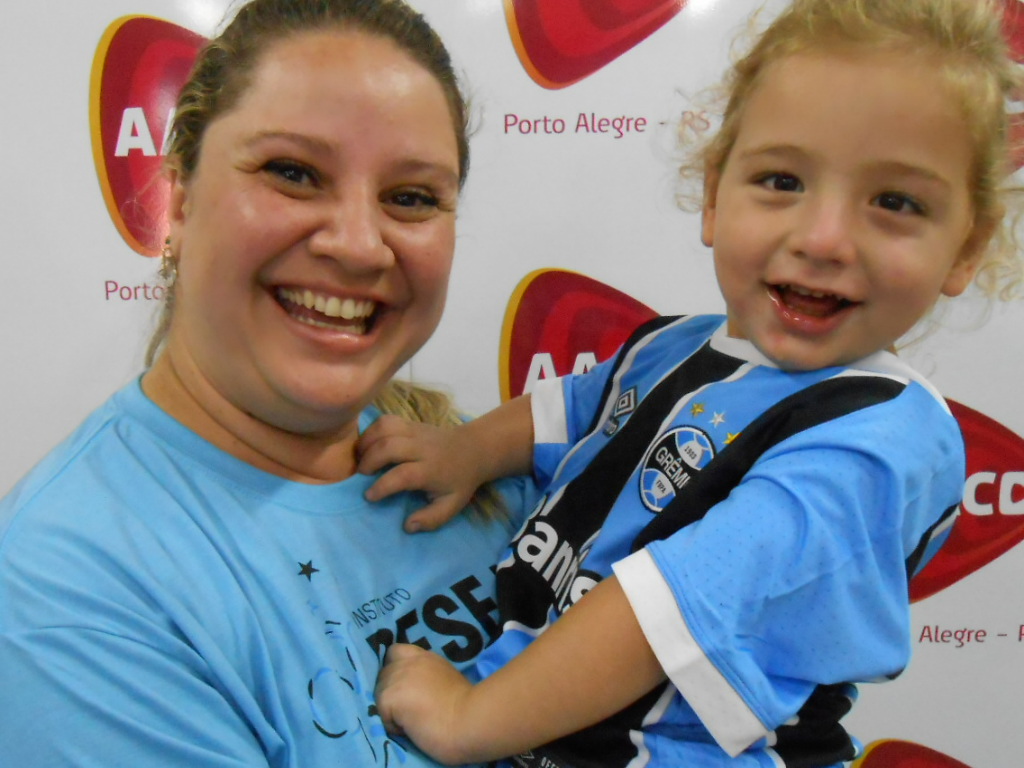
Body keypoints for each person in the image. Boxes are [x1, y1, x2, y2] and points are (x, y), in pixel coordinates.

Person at [363, 0, 1024, 765]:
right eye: (782, 180)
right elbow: (576, 409)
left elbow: (673, 605)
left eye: (895, 203)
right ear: (714, 196)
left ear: (967, 247)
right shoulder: (675, 346)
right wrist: (468, 452)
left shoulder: (879, 438)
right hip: (546, 717)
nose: (822, 238)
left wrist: (470, 720)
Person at [0, 1, 535, 766]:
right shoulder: (67, 598)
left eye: (411, 197)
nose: (357, 244)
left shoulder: (483, 468)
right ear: (177, 202)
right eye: (292, 173)